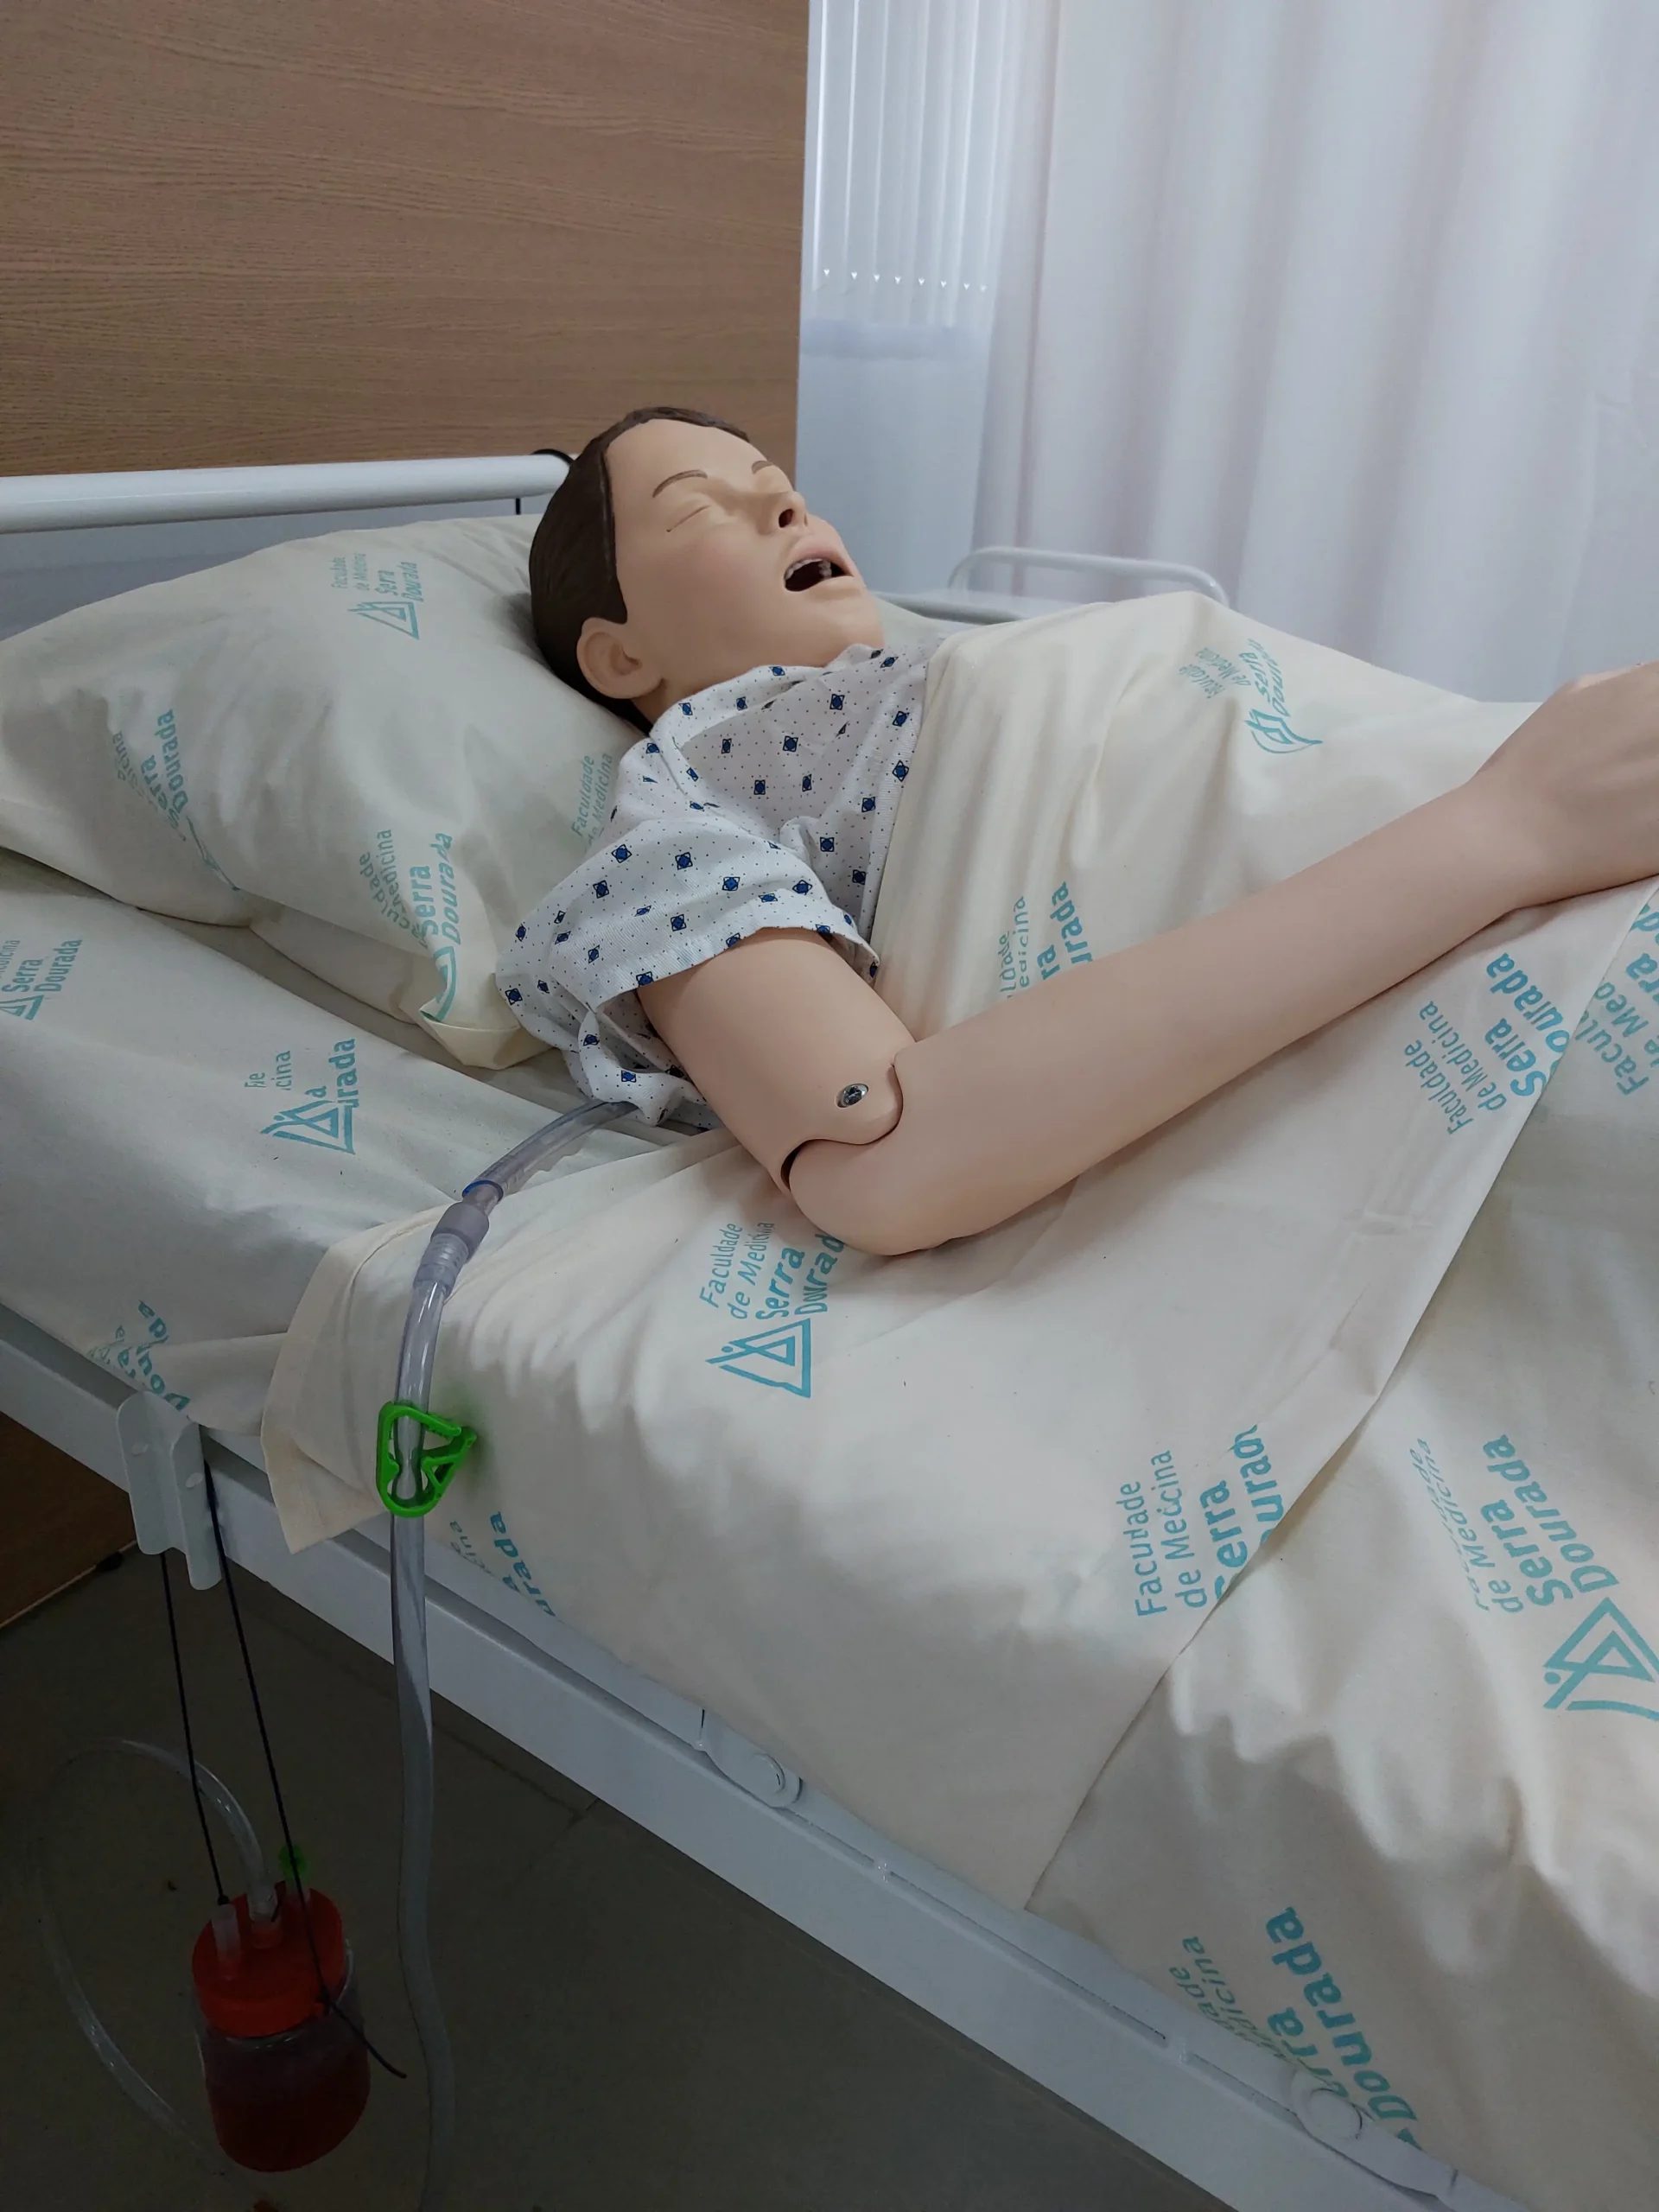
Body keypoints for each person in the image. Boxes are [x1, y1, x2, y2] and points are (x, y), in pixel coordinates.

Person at [498, 404, 1659, 1255]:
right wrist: (1506, 830)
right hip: (1505, 866)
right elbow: (876, 1157)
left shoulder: (958, 660)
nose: (786, 505)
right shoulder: (674, 818)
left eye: (782, 486)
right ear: (618, 655)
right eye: (700, 509)